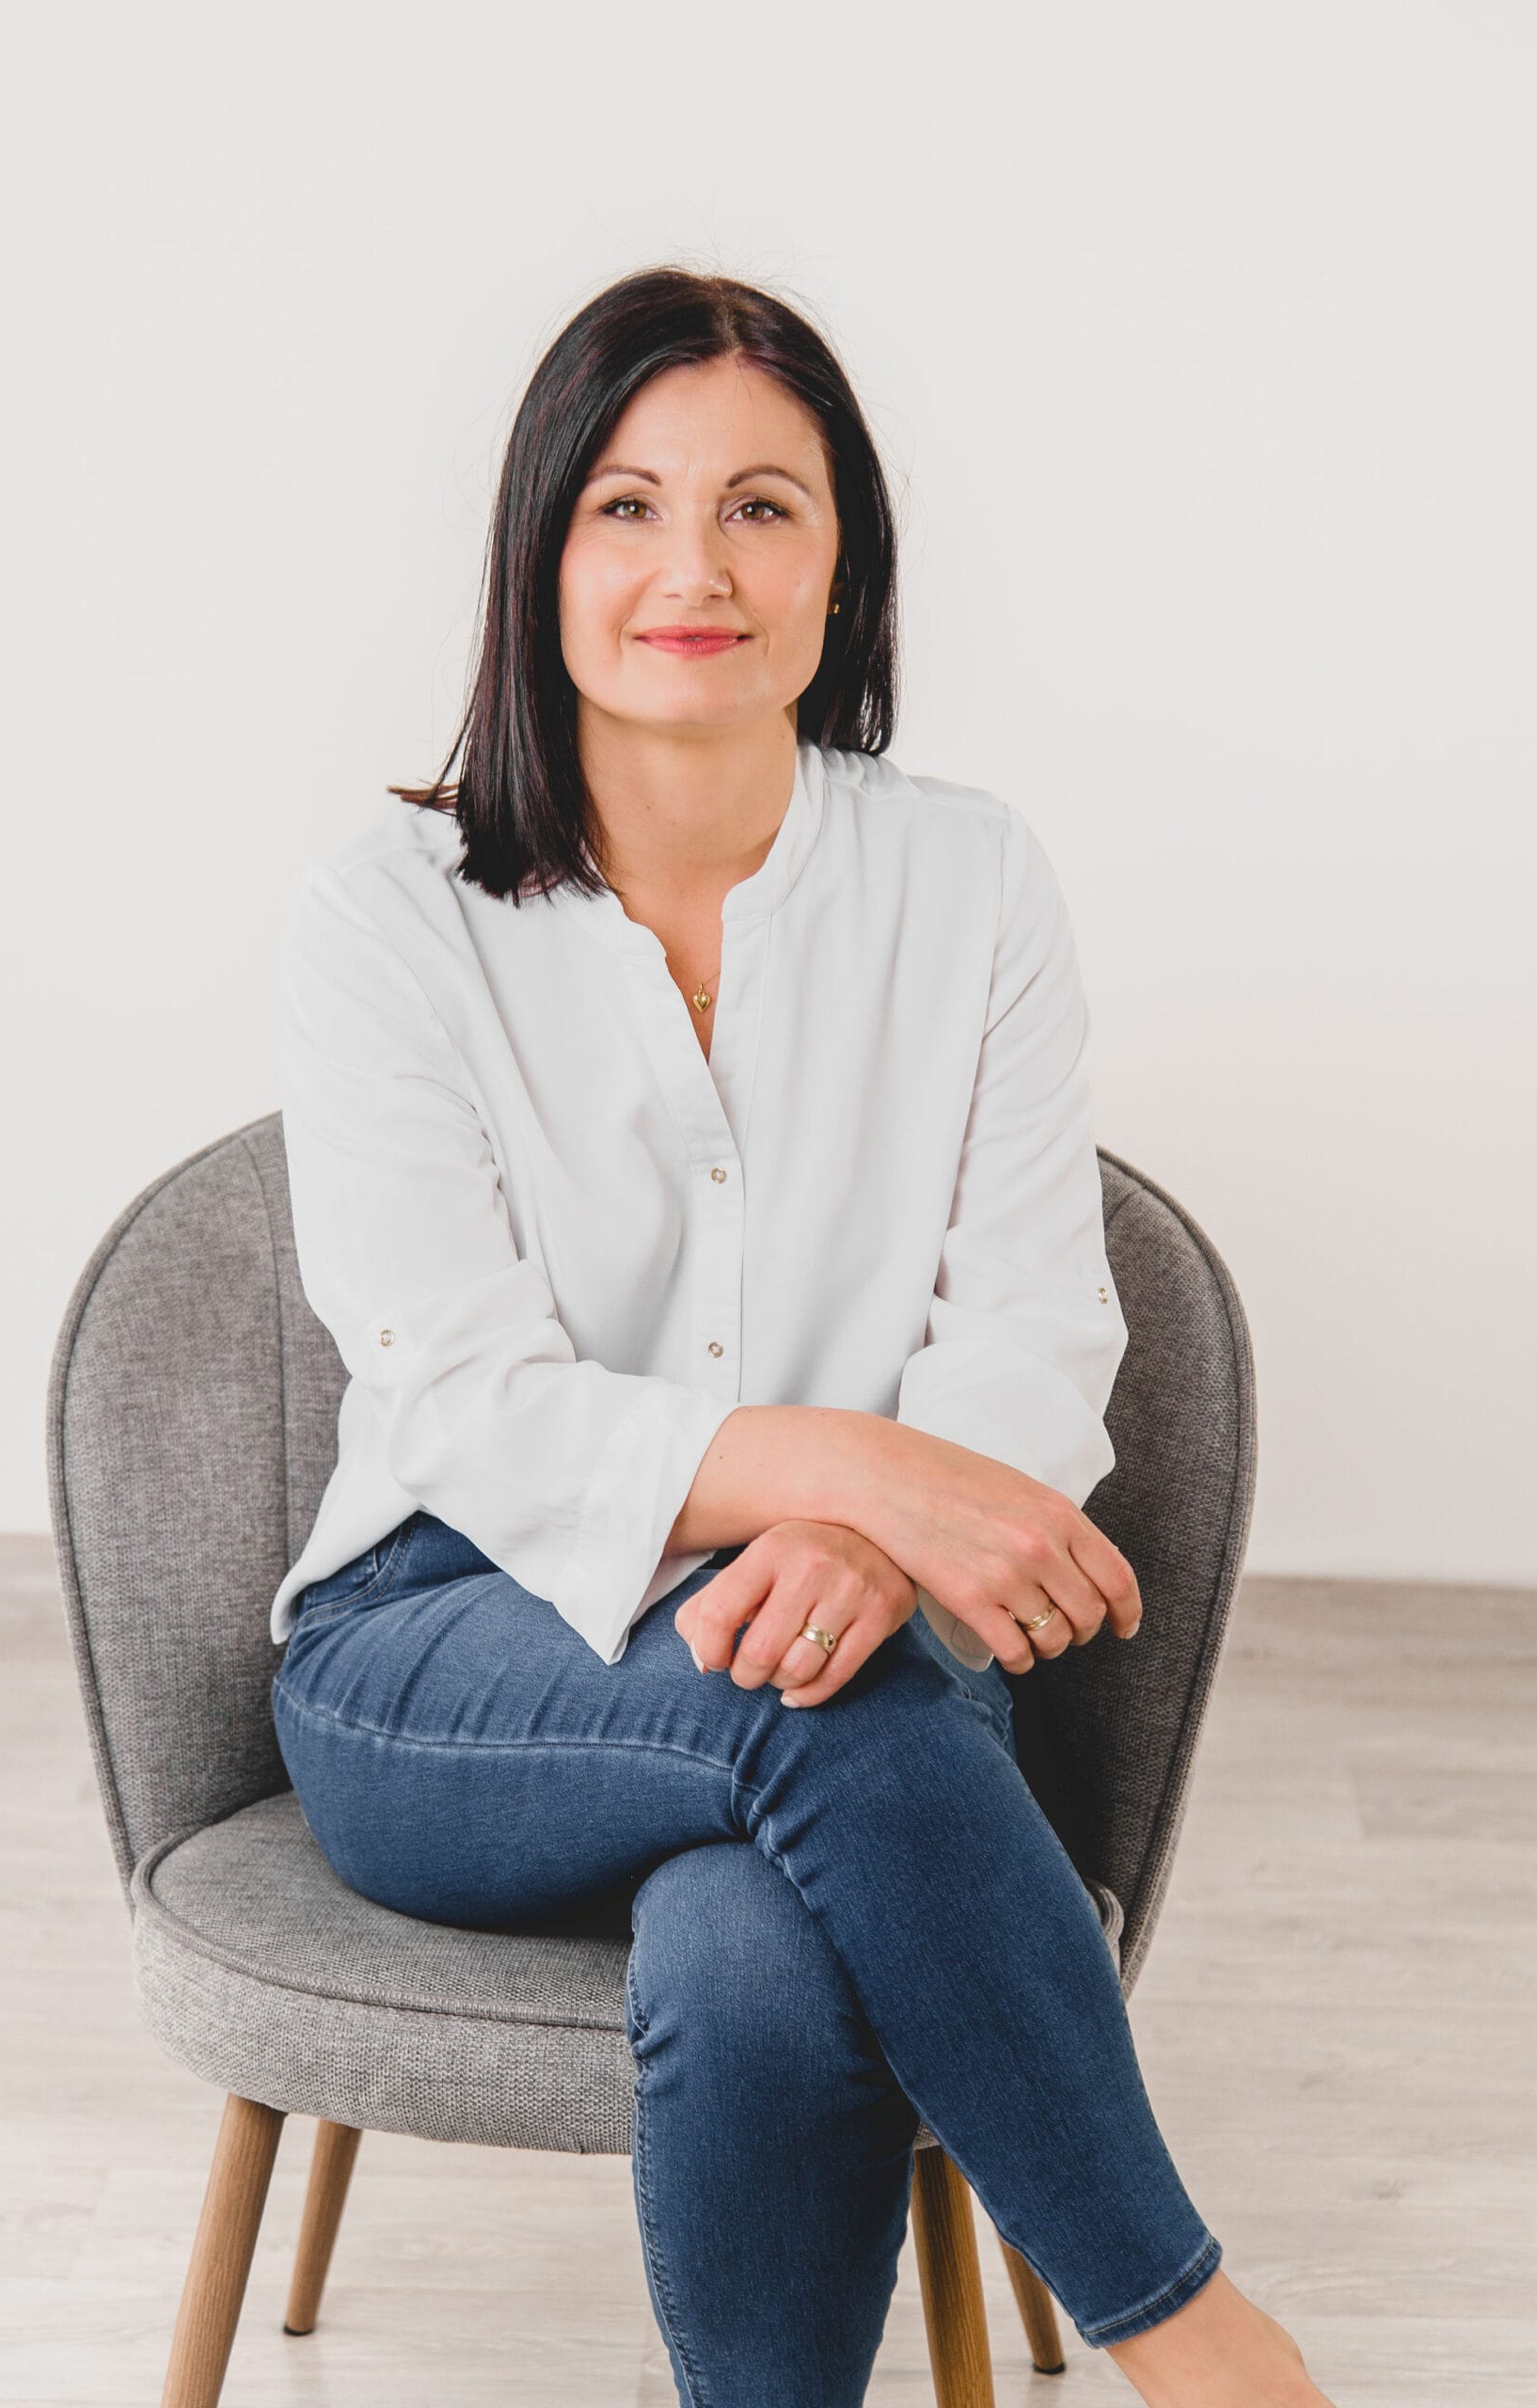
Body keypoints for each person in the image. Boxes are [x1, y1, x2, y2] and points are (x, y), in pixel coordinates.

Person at [268, 264, 1337, 2408]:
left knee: (756, 1949)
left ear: (844, 571)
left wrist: (865, 1536)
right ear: (539, 551)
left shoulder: (972, 881)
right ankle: (1202, 2344)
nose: (695, 567)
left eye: (762, 507)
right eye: (627, 506)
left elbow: (1035, 1312)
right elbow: (465, 1394)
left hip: (859, 1628)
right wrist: (863, 1471)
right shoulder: (391, 915)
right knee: (815, 1720)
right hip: (440, 1649)